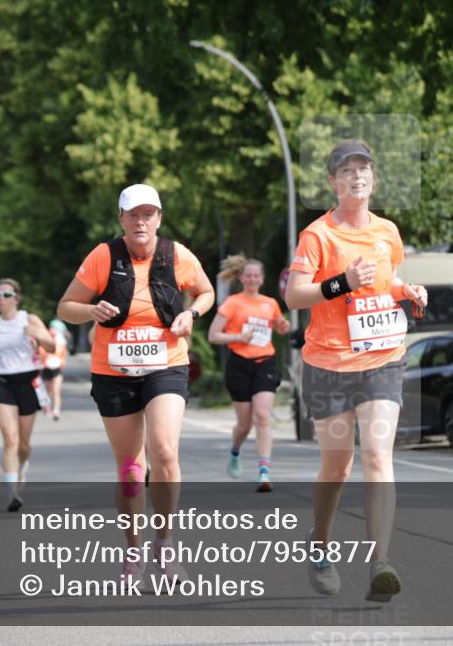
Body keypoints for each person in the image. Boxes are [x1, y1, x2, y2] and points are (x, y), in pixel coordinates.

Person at [285, 139, 428, 602]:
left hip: (382, 359)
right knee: (337, 464)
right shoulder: (317, 236)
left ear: (374, 178)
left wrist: (409, 292)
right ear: (333, 182)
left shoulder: (388, 231)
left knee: (378, 458)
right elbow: (295, 296)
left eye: (363, 168)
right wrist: (342, 282)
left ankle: (380, 562)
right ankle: (321, 545)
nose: (356, 175)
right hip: (327, 363)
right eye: (346, 169)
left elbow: (387, 283)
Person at [57, 183, 214, 584]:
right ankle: (133, 549)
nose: (141, 221)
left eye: (148, 214)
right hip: (114, 372)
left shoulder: (176, 255)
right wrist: (92, 308)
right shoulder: (103, 257)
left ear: (159, 218)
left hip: (166, 364)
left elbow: (206, 291)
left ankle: (165, 545)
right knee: (130, 470)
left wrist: (191, 314)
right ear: (121, 219)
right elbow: (65, 308)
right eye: (133, 214)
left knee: (163, 449)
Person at [208, 254, 289, 491]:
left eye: (257, 275)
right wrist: (237, 337)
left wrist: (284, 326)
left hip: (265, 362)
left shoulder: (270, 303)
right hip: (239, 364)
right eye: (248, 275)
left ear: (262, 279)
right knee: (244, 425)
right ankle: (235, 451)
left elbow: (280, 326)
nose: (252, 279)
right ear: (242, 278)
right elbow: (213, 335)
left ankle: (264, 472)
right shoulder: (232, 303)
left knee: (262, 417)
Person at [0, 278, 56, 512]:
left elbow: (52, 347)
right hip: (2, 382)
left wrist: (38, 335)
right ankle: (12, 492)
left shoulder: (29, 319)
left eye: (5, 294)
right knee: (9, 437)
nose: (0, 299)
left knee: (23, 444)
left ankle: (22, 464)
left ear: (16, 298)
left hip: (28, 382)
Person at [38, 320, 69, 420]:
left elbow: (63, 354)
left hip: (56, 369)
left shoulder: (61, 342)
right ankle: (48, 408)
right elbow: (41, 353)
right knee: (49, 391)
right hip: (46, 368)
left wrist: (62, 362)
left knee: (56, 390)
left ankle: (56, 410)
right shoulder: (45, 342)